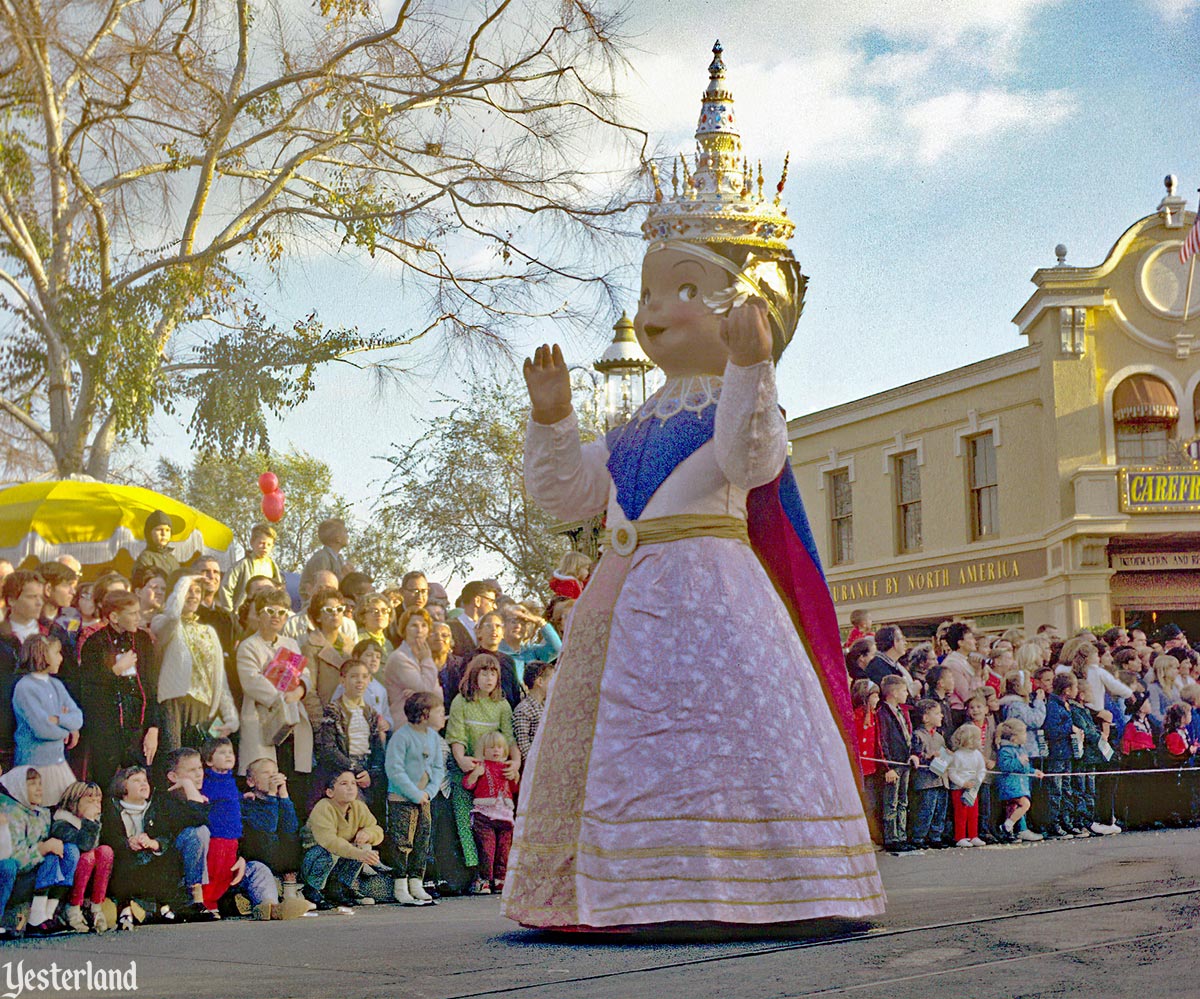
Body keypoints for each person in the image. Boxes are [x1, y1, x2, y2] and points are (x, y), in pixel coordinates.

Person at [508, 45, 882, 931]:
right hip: (621, 596)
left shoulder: (735, 404)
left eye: (684, 289)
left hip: (710, 595)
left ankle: (740, 883)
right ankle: (617, 888)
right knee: (623, 743)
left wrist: (754, 368)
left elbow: (752, 461)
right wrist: (555, 420)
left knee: (712, 733)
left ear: (745, 306)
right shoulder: (638, 422)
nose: (658, 308)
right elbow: (570, 498)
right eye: (650, 290)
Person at [236, 588, 313, 816]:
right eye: (270, 611)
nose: (276, 616)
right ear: (259, 614)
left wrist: (299, 691)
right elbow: (251, 681)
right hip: (263, 718)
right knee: (265, 781)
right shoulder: (248, 646)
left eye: (281, 612)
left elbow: (305, 672)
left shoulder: (291, 644)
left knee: (291, 780)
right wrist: (281, 697)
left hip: (292, 719)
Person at [444, 655, 520, 884]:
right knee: (467, 824)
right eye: (484, 673)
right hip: (467, 769)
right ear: (474, 675)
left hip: (494, 774)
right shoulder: (461, 701)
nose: (489, 678)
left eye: (493, 673)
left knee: (499, 826)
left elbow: (510, 738)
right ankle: (476, 873)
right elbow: (455, 735)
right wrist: (461, 758)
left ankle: (496, 874)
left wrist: (515, 762)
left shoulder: (502, 705)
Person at [78, 591, 160, 794]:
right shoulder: (95, 643)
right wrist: (115, 670)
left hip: (138, 730)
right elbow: (89, 689)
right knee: (107, 786)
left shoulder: (142, 640)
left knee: (140, 783)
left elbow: (150, 685)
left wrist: (153, 727)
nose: (138, 618)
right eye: (132, 613)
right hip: (108, 732)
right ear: (114, 617)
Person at [152, 574, 238, 753]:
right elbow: (173, 615)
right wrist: (184, 581)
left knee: (197, 762)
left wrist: (230, 717)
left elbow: (219, 678)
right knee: (174, 758)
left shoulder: (208, 631)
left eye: (197, 591)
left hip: (203, 706)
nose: (193, 595)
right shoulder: (163, 622)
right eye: (187, 591)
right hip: (175, 702)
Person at [384, 691, 445, 906]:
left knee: (422, 840)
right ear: (424, 713)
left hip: (424, 799)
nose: (443, 715)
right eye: (440, 711)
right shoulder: (402, 737)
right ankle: (400, 884)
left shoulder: (434, 738)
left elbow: (438, 767)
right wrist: (414, 793)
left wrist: (429, 791)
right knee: (403, 841)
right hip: (402, 799)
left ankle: (416, 881)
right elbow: (394, 769)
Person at [0, 766, 77, 935]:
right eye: (32, 784)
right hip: (16, 880)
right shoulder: (12, 813)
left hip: (36, 874)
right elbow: (13, 859)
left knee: (69, 851)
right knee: (48, 857)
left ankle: (47, 914)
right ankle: (35, 917)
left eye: (40, 783)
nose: (39, 788)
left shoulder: (41, 813)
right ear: (17, 787)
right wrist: (41, 849)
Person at [13, 634, 82, 806]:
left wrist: (57, 719)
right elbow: (42, 729)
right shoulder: (25, 687)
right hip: (35, 764)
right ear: (42, 654)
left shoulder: (56, 685)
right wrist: (66, 728)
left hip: (58, 762)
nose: (61, 658)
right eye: (57, 653)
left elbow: (77, 718)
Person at [301, 770, 386, 909]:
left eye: (353, 783)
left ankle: (339, 887)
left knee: (363, 846)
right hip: (313, 857)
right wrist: (359, 854)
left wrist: (368, 833)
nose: (351, 787)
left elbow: (376, 829)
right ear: (330, 792)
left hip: (339, 854)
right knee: (328, 853)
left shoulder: (358, 806)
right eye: (344, 783)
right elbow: (329, 842)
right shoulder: (323, 807)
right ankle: (312, 889)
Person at [313, 659, 386, 821]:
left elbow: (377, 749)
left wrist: (371, 773)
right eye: (354, 676)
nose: (360, 681)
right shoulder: (333, 710)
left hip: (368, 771)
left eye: (364, 677)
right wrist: (357, 770)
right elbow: (329, 749)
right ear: (343, 680)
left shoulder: (370, 713)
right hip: (343, 769)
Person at [241, 758, 308, 909]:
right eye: (266, 773)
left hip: (280, 861)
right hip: (257, 857)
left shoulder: (279, 801)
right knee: (268, 836)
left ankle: (290, 889)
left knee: (292, 836)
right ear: (251, 781)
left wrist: (283, 795)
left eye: (275, 772)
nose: (273, 777)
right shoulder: (247, 803)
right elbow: (266, 827)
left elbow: (291, 828)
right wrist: (271, 795)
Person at [51, 781, 111, 933]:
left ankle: (95, 907)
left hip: (89, 880)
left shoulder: (93, 822)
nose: (96, 805)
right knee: (88, 856)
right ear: (74, 802)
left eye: (98, 800)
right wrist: (89, 822)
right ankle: (72, 908)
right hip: (68, 884)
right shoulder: (62, 822)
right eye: (90, 800)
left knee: (106, 851)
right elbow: (85, 845)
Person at [463, 730, 518, 895]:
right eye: (491, 748)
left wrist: (515, 776)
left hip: (505, 816)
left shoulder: (507, 767)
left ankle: (501, 879)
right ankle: (484, 880)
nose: (496, 751)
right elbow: (467, 785)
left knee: (504, 849)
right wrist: (475, 774)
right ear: (483, 750)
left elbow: (514, 789)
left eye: (499, 748)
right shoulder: (481, 766)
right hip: (484, 815)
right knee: (487, 848)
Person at [441, 611, 522, 711]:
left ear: (503, 633)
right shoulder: (471, 659)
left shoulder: (508, 660)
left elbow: (515, 693)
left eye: (498, 626)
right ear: (478, 632)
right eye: (488, 626)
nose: (494, 630)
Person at [191, 555, 240, 708]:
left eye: (216, 572)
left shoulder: (227, 618)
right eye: (205, 571)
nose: (212, 576)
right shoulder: (186, 615)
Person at [301, 586, 356, 722]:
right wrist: (319, 722)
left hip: (351, 718)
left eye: (339, 609)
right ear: (318, 617)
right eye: (329, 610)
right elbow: (309, 690)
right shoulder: (309, 647)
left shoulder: (351, 645)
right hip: (326, 719)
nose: (335, 614)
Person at [876, 675, 915, 854]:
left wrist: (913, 754)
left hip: (904, 761)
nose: (907, 694)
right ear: (893, 692)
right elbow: (881, 741)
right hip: (893, 763)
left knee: (902, 801)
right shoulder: (882, 713)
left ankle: (901, 834)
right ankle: (891, 837)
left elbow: (908, 735)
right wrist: (887, 767)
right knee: (891, 801)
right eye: (904, 690)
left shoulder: (903, 711)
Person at [384, 608, 439, 725]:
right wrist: (427, 660)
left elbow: (438, 695)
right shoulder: (399, 657)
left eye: (424, 626)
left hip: (425, 723)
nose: (419, 630)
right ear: (404, 630)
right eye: (414, 626)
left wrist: (419, 691)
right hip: (404, 723)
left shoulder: (424, 656)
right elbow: (426, 691)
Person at [909, 699, 949, 850]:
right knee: (926, 809)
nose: (941, 716)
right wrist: (929, 756)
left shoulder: (939, 737)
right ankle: (919, 836)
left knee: (940, 809)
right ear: (926, 717)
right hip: (926, 780)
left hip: (940, 778)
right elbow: (916, 755)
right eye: (937, 713)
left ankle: (935, 836)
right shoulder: (918, 735)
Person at [1044, 673, 1081, 838]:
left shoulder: (1067, 705)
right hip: (1057, 753)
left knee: (1066, 788)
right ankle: (1054, 823)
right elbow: (1052, 731)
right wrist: (1070, 729)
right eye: (1075, 687)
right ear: (1067, 690)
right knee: (1056, 789)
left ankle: (1067, 821)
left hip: (1067, 752)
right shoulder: (1053, 706)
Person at [217, 524, 284, 613]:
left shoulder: (272, 566)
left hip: (265, 612)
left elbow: (278, 589)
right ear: (252, 542)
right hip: (243, 612)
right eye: (261, 543)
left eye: (269, 544)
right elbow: (225, 588)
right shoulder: (241, 565)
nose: (265, 547)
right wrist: (230, 611)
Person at [994, 719, 1043, 841]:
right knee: (1025, 804)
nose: (1026, 736)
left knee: (1013, 808)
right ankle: (1007, 825)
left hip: (1019, 785)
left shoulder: (1020, 749)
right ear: (1014, 738)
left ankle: (1012, 832)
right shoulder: (1005, 750)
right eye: (1024, 733)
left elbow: (1024, 768)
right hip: (1010, 785)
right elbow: (1005, 766)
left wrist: (1033, 771)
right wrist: (1019, 761)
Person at [332, 638, 392, 732]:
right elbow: (334, 709)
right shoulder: (347, 684)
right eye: (369, 655)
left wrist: (387, 723)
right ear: (356, 657)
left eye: (378, 657)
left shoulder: (381, 689)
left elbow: (386, 714)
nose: (374, 660)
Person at [499, 602, 562, 684]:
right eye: (513, 621)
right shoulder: (496, 651)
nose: (518, 626)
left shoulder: (532, 651)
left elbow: (557, 649)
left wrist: (539, 621)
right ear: (503, 625)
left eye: (523, 623)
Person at [946, 724, 987, 847]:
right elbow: (952, 772)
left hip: (973, 788)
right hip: (959, 789)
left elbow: (982, 769)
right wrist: (963, 783)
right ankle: (960, 837)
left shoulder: (977, 754)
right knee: (961, 813)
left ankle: (973, 835)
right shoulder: (957, 755)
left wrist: (977, 781)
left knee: (973, 813)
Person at [851, 679, 881, 838]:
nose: (877, 700)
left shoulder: (874, 717)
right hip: (859, 768)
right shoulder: (856, 716)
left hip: (871, 768)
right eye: (875, 696)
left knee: (871, 804)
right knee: (864, 803)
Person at [512, 660, 554, 762]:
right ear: (539, 682)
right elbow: (523, 745)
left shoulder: (547, 706)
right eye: (552, 679)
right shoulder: (524, 710)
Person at [448, 581, 497, 658]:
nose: (495, 607)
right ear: (477, 601)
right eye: (491, 601)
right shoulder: (450, 629)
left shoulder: (490, 629)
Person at [300, 518, 350, 591]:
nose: (347, 536)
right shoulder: (321, 558)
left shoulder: (339, 559)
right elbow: (322, 588)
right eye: (345, 532)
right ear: (338, 539)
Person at [133, 510, 181, 579]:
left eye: (167, 530)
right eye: (159, 529)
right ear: (149, 533)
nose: (163, 534)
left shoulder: (172, 559)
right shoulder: (146, 558)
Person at [132, 565, 167, 629]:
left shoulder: (167, 622)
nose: (159, 592)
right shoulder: (128, 622)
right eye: (154, 588)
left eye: (163, 589)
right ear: (138, 592)